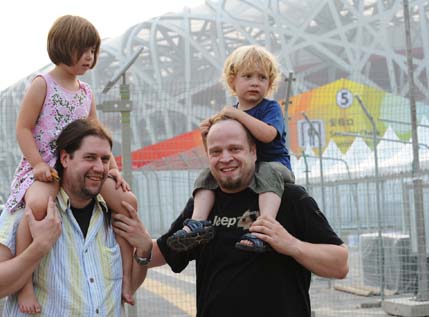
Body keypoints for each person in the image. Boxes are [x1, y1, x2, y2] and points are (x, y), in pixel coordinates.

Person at [114, 115, 349, 317]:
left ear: (253, 151)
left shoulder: (289, 198)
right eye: (216, 151)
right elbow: (165, 253)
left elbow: (340, 265)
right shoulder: (203, 204)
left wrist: (291, 245)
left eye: (235, 149)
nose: (225, 158)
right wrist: (142, 243)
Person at [4, 15, 136, 312]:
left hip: (78, 165)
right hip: (47, 168)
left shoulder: (86, 92)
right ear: (63, 47)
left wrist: (112, 169)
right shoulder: (43, 84)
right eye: (84, 49)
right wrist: (37, 163)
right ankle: (24, 285)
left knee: (126, 202)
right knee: (37, 207)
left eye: (93, 50)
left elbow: (95, 133)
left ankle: (127, 277)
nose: (90, 57)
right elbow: (23, 128)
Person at [0, 118, 151, 316]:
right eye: (90, 158)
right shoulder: (28, 210)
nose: (99, 167)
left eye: (105, 160)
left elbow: (125, 289)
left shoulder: (115, 214)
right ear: (65, 159)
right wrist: (39, 248)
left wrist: (144, 251)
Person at [167, 45, 295, 253]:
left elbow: (268, 135)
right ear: (232, 81)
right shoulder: (232, 113)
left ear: (269, 84)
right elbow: (216, 149)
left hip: (275, 168)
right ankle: (197, 223)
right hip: (246, 171)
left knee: (266, 170)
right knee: (208, 174)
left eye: (262, 78)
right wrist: (206, 134)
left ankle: (264, 227)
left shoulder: (270, 108)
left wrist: (235, 115)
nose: (255, 82)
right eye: (247, 76)